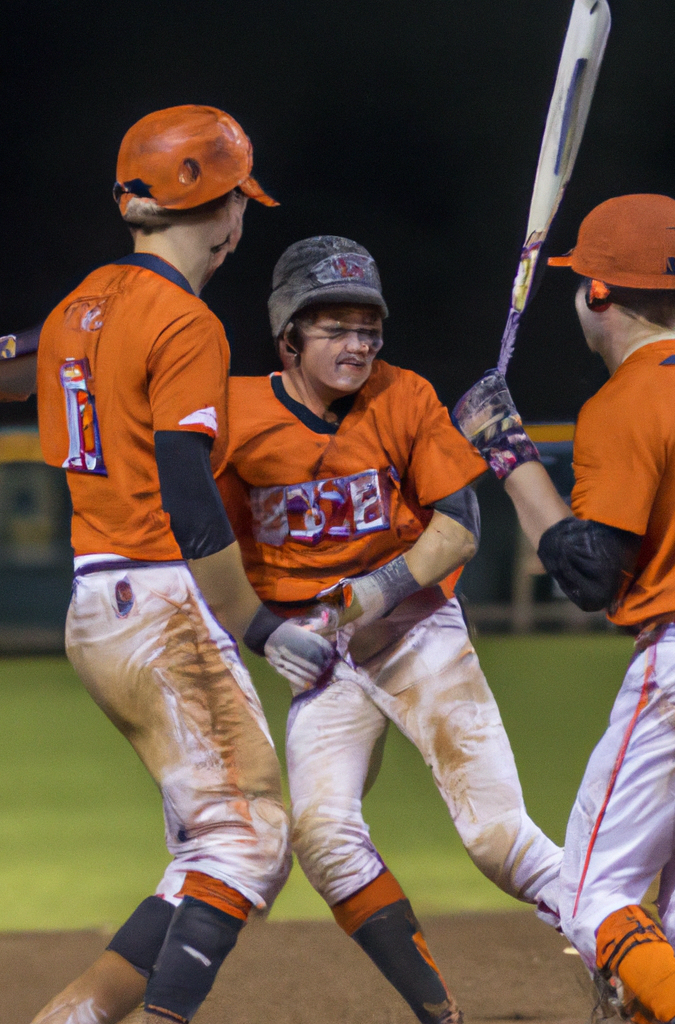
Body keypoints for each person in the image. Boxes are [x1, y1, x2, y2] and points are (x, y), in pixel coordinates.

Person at [455, 194, 675, 1024]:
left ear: (601, 295)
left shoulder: (626, 400)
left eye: (583, 281)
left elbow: (589, 576)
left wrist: (509, 458)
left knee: (592, 893)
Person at [30, 106, 336, 1024]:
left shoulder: (75, 308)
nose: (244, 218)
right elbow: (188, 490)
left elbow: (27, 358)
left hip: (95, 604)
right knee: (250, 843)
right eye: (242, 197)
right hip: (160, 598)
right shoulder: (186, 322)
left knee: (210, 854)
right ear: (222, 206)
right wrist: (259, 624)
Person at [216, 235, 563, 1024]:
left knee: (497, 840)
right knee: (323, 836)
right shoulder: (234, 415)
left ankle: (623, 946)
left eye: (368, 326)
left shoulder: (403, 395)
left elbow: (460, 525)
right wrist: (265, 629)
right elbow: (203, 543)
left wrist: (369, 593)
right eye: (334, 327)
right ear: (288, 337)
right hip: (323, 660)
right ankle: (440, 1014)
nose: (357, 343)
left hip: (417, 633)